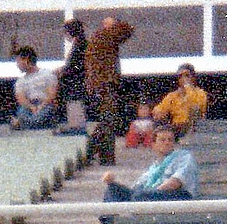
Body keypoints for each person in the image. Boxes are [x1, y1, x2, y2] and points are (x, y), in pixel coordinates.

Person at [101, 124, 198, 202]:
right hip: (151, 195)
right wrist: (112, 182)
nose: (167, 143)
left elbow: (174, 183)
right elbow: (136, 187)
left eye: (170, 140)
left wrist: (150, 192)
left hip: (176, 196)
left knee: (141, 195)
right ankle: (109, 220)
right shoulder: (155, 167)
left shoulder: (184, 156)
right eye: (162, 140)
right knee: (113, 189)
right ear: (154, 145)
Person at [84, 16, 133, 166]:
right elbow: (127, 30)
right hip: (104, 85)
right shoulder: (103, 36)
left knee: (107, 121)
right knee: (108, 120)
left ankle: (100, 155)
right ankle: (93, 152)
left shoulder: (102, 38)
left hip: (102, 84)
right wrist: (114, 25)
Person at [10, 45, 58, 130]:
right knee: (22, 112)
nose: (17, 65)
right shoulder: (21, 81)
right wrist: (31, 107)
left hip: (45, 103)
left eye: (18, 61)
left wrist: (41, 106)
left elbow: (52, 94)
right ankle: (26, 123)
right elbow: (21, 98)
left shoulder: (47, 74)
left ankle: (21, 123)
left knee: (42, 114)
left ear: (26, 60)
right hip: (29, 105)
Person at [152, 63, 208, 134]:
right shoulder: (173, 95)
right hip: (177, 128)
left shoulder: (200, 93)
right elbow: (160, 110)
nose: (183, 79)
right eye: (180, 76)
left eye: (187, 76)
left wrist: (188, 87)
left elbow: (194, 106)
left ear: (193, 78)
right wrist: (158, 113)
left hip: (195, 127)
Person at [56, 19, 89, 135]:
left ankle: (77, 129)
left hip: (76, 85)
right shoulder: (79, 44)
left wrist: (63, 71)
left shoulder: (80, 46)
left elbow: (76, 66)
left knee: (75, 106)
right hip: (75, 85)